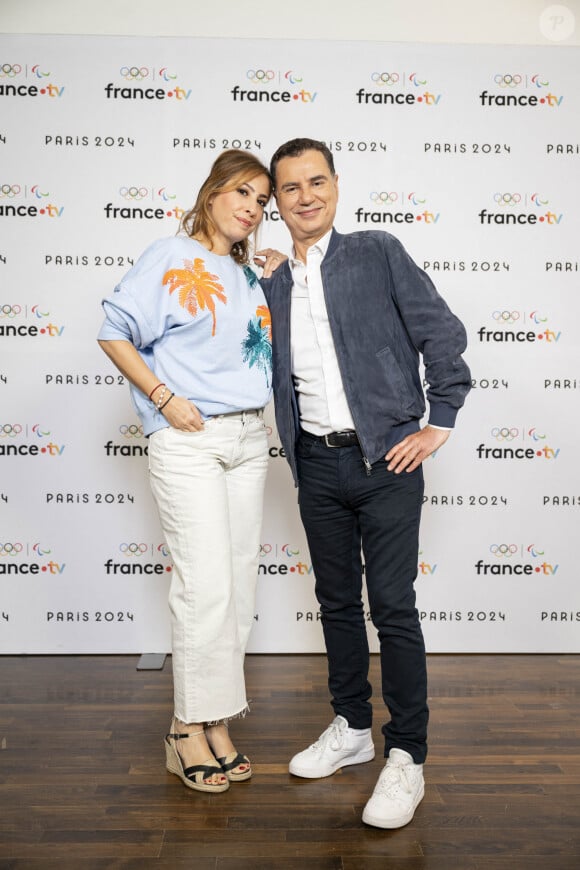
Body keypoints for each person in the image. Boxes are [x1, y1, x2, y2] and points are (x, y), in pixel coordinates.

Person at [259, 138, 471, 828]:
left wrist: (438, 420)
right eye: (290, 188)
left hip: (386, 461)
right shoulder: (269, 282)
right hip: (315, 463)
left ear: (336, 186)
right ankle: (350, 728)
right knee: (336, 603)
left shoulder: (376, 251)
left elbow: (441, 333)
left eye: (316, 181)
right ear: (275, 202)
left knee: (392, 605)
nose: (306, 196)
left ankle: (406, 754)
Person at [98, 149, 282, 794]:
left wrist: (279, 280)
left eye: (262, 200)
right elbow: (114, 329)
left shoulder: (250, 273)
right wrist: (165, 398)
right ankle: (186, 729)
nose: (251, 208)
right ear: (211, 194)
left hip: (247, 437)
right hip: (190, 438)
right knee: (203, 588)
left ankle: (218, 718)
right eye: (241, 192)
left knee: (235, 589)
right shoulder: (170, 255)